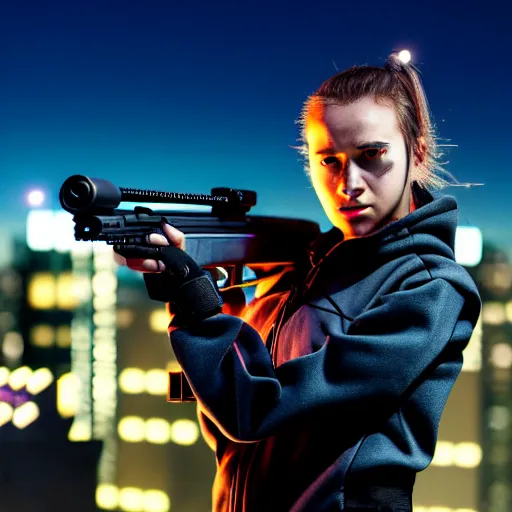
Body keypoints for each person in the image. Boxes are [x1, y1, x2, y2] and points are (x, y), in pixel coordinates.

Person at [113, 51, 482, 512]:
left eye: (372, 156)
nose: (350, 183)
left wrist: (194, 307)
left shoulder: (429, 290)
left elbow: (257, 409)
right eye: (329, 161)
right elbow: (230, 416)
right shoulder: (300, 270)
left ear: (418, 151)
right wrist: (193, 287)